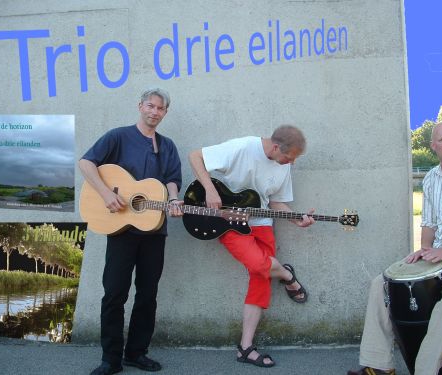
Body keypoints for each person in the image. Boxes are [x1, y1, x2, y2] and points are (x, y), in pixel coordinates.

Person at [348, 121, 442, 375]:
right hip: (439, 252)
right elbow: (428, 224)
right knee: (380, 284)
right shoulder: (430, 179)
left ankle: (425, 371)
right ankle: (379, 366)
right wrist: (424, 249)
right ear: (433, 146)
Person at [188, 125, 316, 367]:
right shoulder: (243, 147)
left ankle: (245, 348)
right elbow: (195, 155)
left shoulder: (284, 165)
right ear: (276, 147)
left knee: (261, 277)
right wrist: (210, 189)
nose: (291, 163)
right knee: (260, 265)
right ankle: (287, 275)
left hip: (263, 224)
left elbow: (275, 201)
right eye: (289, 157)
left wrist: (296, 218)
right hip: (230, 224)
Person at [79, 88, 182, 375]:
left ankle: (136, 353)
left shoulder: (167, 146)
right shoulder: (118, 136)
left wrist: (173, 199)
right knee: (114, 294)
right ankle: (110, 359)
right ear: (140, 106)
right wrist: (105, 194)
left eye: (160, 109)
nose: (154, 112)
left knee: (147, 295)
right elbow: (86, 162)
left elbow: (172, 179)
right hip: (120, 230)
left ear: (165, 113)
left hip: (154, 231)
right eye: (150, 106)